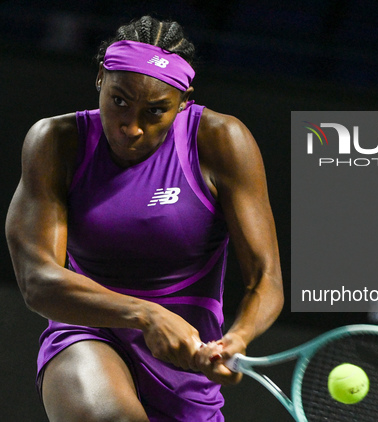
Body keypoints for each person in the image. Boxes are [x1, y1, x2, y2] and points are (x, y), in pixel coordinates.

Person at [5, 15, 284, 422]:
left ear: (184, 100)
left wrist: (236, 339)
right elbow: (37, 282)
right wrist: (146, 314)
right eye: (120, 101)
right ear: (101, 77)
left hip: (187, 364)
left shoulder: (222, 141)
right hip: (87, 334)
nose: (132, 127)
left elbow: (266, 278)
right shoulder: (55, 142)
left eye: (155, 111)